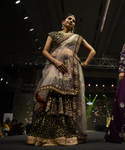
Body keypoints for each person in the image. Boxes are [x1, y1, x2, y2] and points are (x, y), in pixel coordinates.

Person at [26, 13, 96, 146]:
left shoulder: (78, 38)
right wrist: (55, 62)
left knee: (68, 98)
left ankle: (66, 135)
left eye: (74, 20)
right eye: (69, 19)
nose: (71, 21)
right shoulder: (53, 34)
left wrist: (85, 63)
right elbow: (45, 51)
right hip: (55, 67)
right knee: (52, 94)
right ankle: (46, 134)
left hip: (71, 69)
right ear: (63, 21)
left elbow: (92, 51)